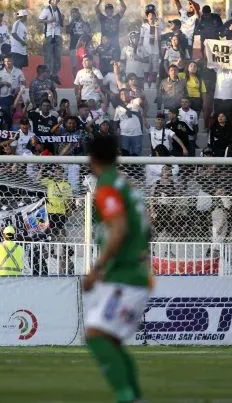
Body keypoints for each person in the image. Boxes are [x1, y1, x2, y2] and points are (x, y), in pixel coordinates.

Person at [82, 134, 150, 403]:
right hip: (131, 273)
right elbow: (144, 227)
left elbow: (119, 228)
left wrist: (96, 269)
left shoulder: (108, 186)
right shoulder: (126, 185)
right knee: (110, 341)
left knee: (97, 336)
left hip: (125, 276)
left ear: (91, 158)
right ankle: (133, 397)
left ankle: (128, 398)